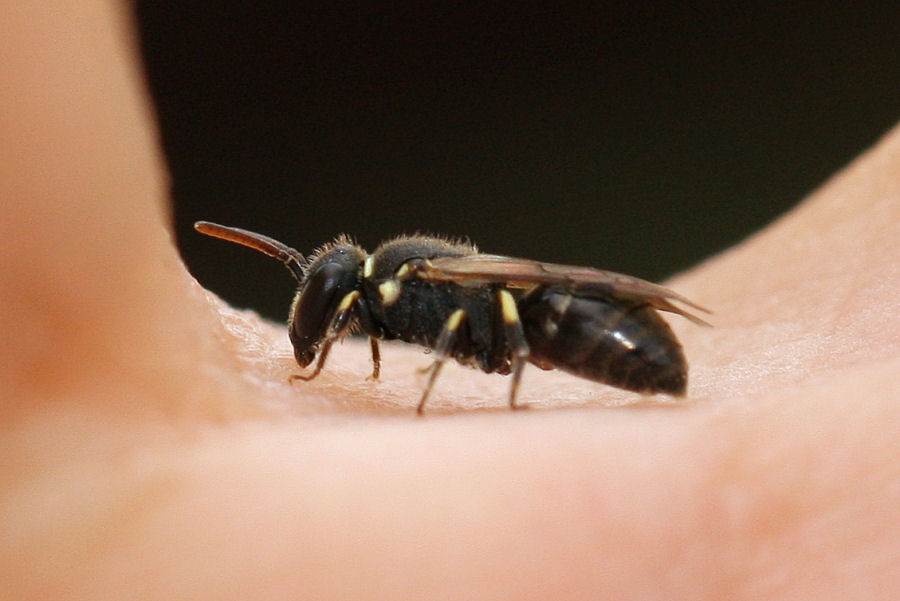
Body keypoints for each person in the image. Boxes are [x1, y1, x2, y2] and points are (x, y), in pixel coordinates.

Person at [2, 2, 898, 598]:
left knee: (520, 313)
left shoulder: (423, 285)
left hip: (599, 332)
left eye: (333, 308)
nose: (335, 316)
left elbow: (501, 316)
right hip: (571, 329)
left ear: (363, 294)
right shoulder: (390, 292)